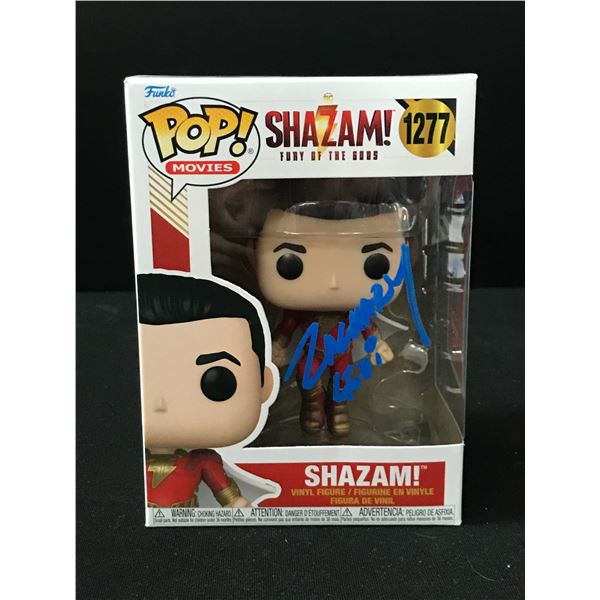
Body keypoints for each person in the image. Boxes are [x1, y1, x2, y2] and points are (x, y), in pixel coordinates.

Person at [137, 273, 275, 508]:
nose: (160, 403)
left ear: (265, 384)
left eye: (217, 382)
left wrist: (236, 505)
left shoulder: (202, 461)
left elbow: (230, 498)